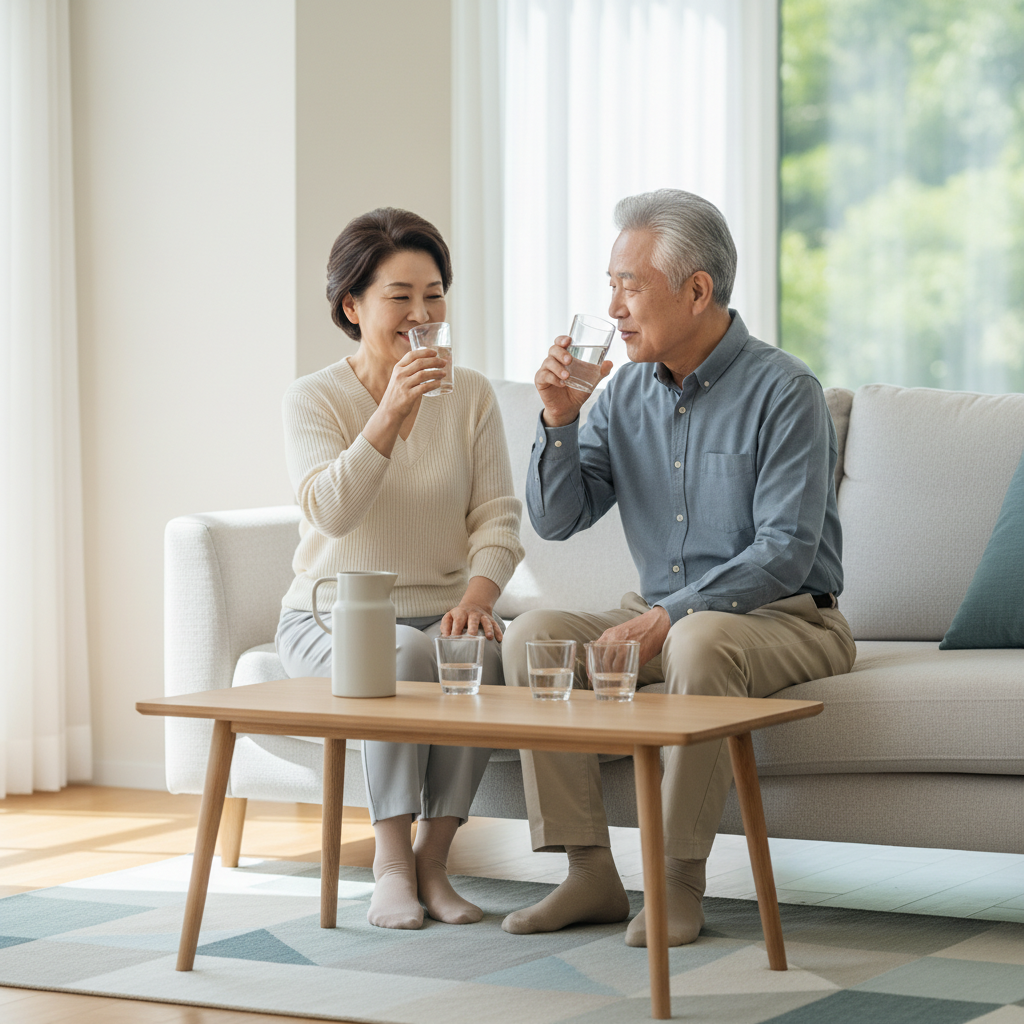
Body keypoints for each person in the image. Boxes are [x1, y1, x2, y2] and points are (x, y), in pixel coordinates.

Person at [500, 188, 856, 947]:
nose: (614, 306)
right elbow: (559, 519)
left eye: (631, 286)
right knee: (532, 635)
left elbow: (787, 548)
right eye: (611, 285)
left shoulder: (785, 390)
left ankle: (675, 883)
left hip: (788, 617)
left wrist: (674, 614)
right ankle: (588, 872)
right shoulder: (623, 391)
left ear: (697, 291)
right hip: (659, 610)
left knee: (696, 639)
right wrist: (559, 420)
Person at [275, 207, 524, 931]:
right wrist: (388, 412)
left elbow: (498, 517)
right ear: (352, 306)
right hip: (332, 616)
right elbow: (330, 511)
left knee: (474, 650)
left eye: (435, 293)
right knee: (406, 652)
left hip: (441, 606)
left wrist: (480, 596)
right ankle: (389, 866)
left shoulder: (471, 394)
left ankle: (434, 862)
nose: (423, 314)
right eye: (401, 296)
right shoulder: (313, 398)